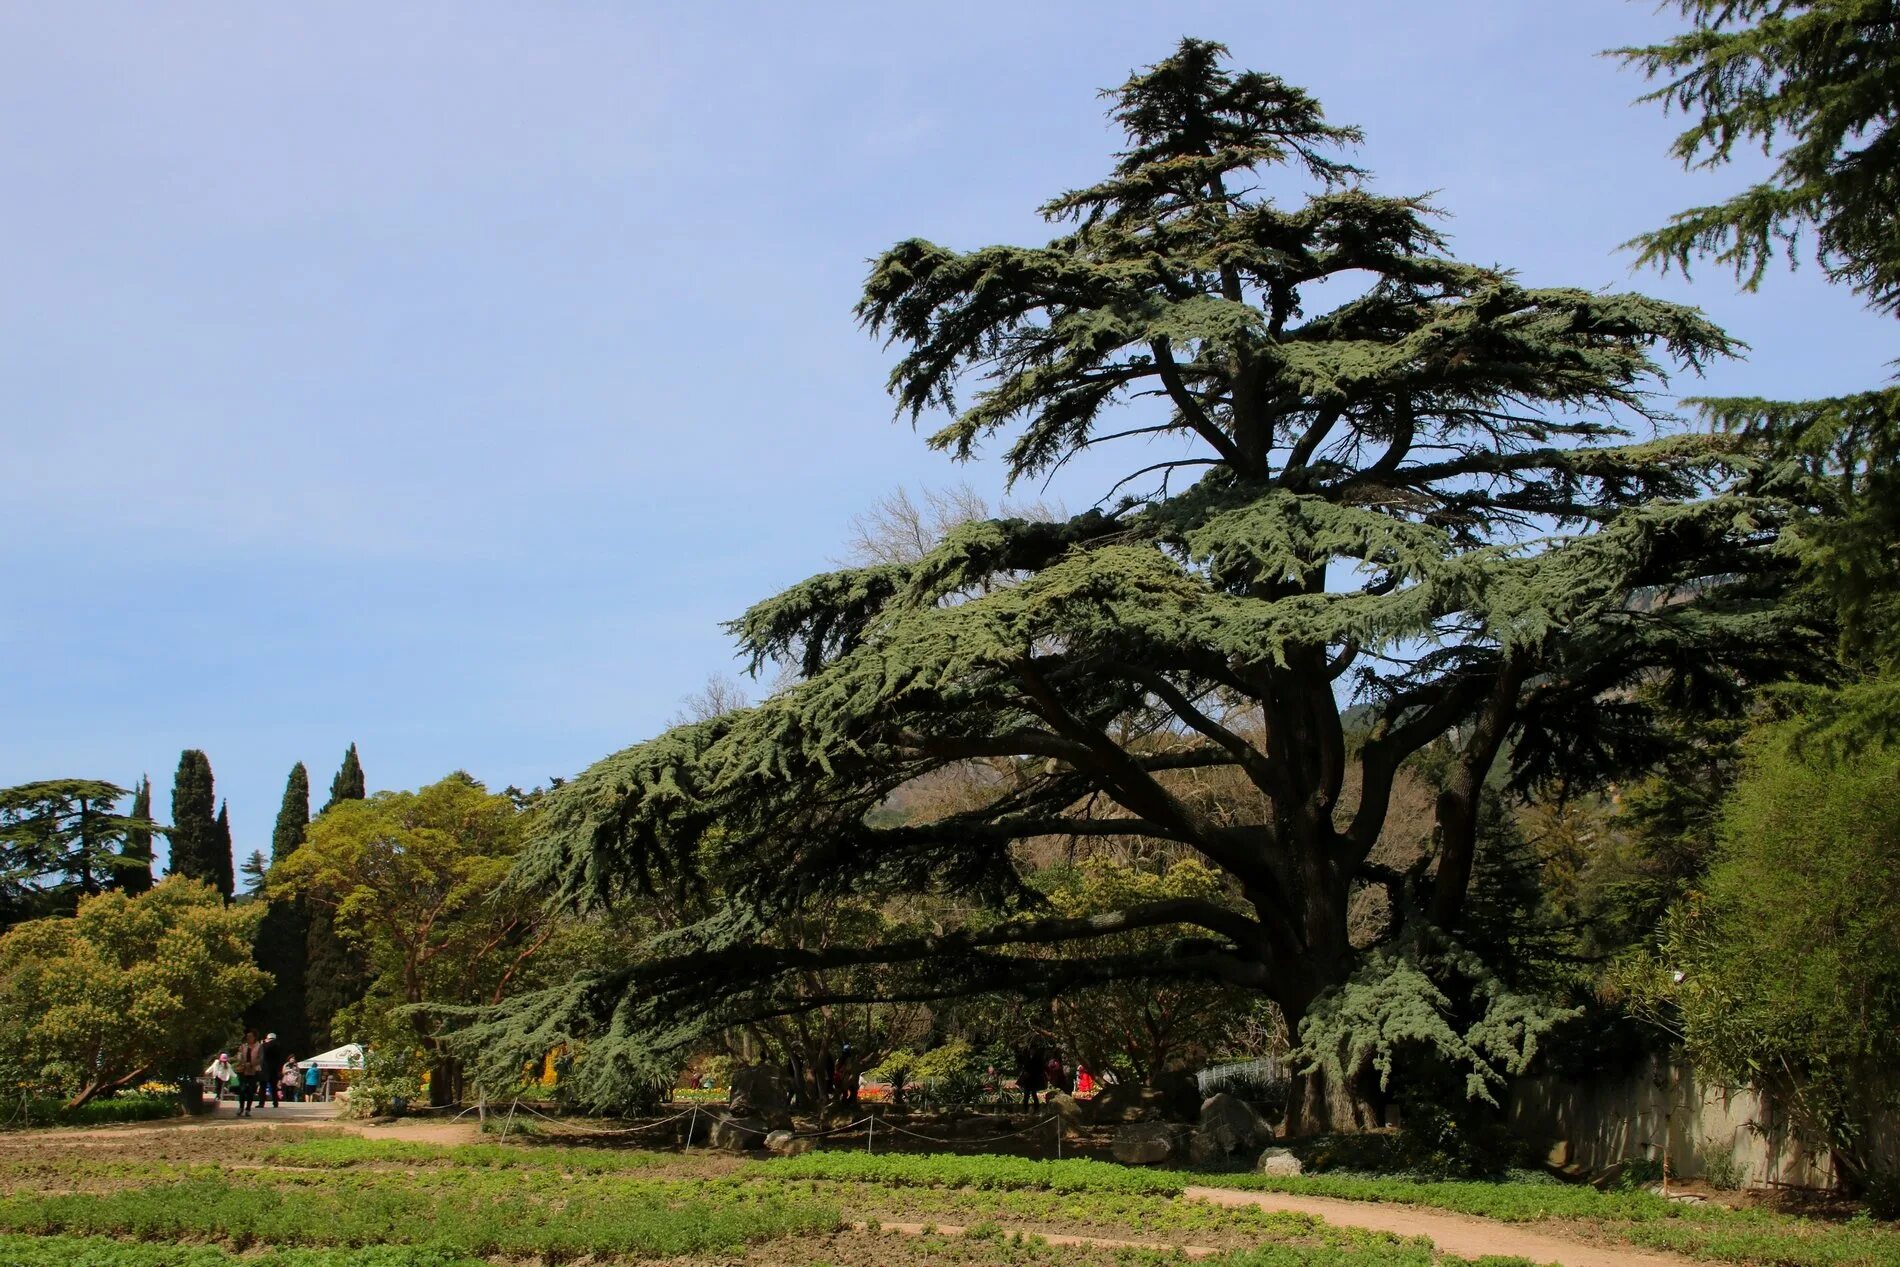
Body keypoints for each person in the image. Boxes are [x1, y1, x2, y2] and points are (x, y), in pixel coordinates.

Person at [234, 1031, 264, 1117]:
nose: (248, 1038)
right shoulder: (243, 1046)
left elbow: (260, 1059)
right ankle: (241, 1107)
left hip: (254, 1071)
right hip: (243, 1070)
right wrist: (243, 1063)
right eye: (247, 1036)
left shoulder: (259, 1046)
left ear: (254, 1037)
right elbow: (239, 1056)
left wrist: (251, 1064)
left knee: (251, 1091)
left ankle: (248, 1109)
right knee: (242, 1090)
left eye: (250, 1036)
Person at [260, 1033, 285, 1109]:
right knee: (274, 1087)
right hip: (274, 1069)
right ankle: (275, 1102)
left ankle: (262, 1103)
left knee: (263, 1087)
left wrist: (263, 1044)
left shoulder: (265, 1045)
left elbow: (262, 1053)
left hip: (265, 1069)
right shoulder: (279, 1046)